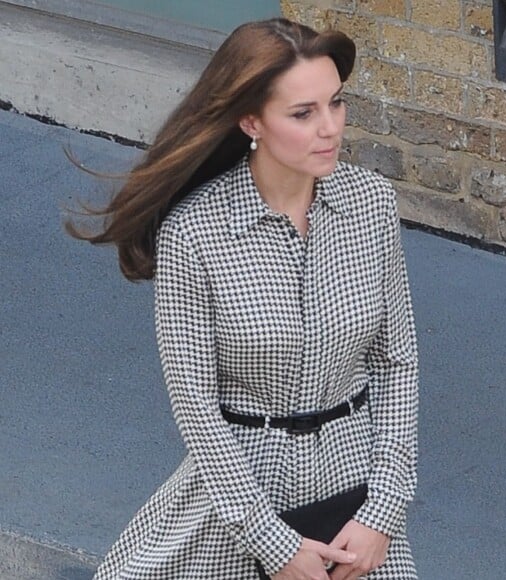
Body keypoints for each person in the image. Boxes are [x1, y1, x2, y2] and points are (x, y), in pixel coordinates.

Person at [70, 17, 419, 580]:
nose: (329, 128)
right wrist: (272, 543)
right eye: (303, 114)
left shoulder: (372, 206)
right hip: (240, 492)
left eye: (336, 103)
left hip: (357, 494)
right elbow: (196, 408)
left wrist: (384, 508)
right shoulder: (195, 233)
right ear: (251, 119)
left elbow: (397, 363)